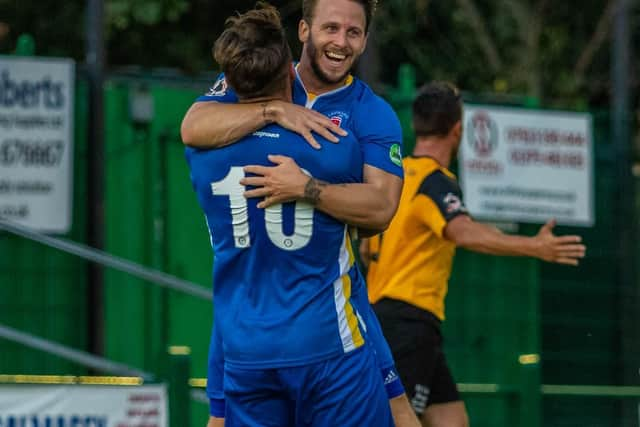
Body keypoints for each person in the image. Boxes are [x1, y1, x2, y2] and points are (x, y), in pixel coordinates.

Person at [181, 1, 421, 426]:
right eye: (331, 28)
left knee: (401, 410)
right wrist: (275, 110)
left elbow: (382, 210)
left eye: (354, 32)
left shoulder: (371, 113)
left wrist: (307, 188)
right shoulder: (262, 78)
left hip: (289, 323)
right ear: (304, 31)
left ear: (365, 39)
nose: (341, 42)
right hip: (317, 338)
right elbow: (193, 122)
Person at [359, 81, 588, 427]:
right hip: (408, 323)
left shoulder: (396, 175)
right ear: (457, 129)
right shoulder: (435, 182)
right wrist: (535, 246)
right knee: (395, 421)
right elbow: (463, 231)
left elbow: (365, 245)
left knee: (453, 420)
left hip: (393, 317)